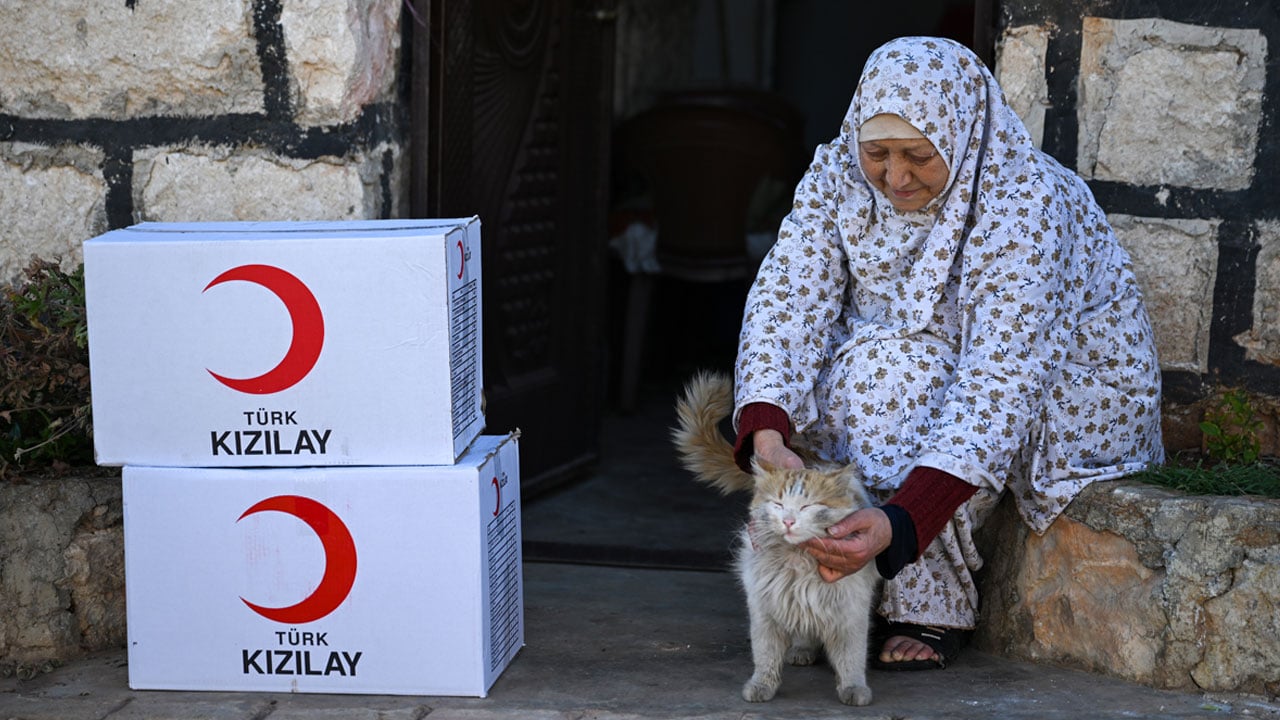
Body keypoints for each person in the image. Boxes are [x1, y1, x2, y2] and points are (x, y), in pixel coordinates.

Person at [731, 36, 1163, 670]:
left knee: (898, 381)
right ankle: (834, 592)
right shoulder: (836, 174)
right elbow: (788, 299)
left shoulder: (1025, 201)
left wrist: (904, 522)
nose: (895, 177)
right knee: (834, 380)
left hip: (1065, 385)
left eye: (919, 155)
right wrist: (768, 437)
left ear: (961, 135)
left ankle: (925, 601)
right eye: (877, 153)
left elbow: (1002, 377)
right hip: (909, 355)